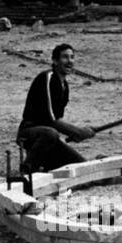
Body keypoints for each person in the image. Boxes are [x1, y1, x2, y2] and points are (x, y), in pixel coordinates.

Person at [17, 43, 95, 174]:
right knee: (50, 133)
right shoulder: (47, 78)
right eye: (65, 57)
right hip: (30, 134)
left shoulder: (64, 85)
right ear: (55, 60)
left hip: (49, 138)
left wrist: (74, 133)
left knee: (82, 167)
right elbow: (51, 120)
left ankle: (44, 164)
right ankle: (28, 170)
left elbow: (57, 119)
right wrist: (77, 131)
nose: (70, 61)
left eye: (72, 57)